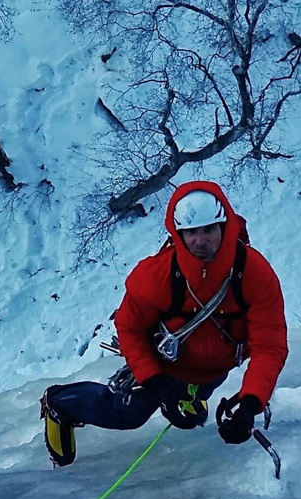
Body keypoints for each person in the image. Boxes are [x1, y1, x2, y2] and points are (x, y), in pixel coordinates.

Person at [42, 181, 288, 466]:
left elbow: (269, 346)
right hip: (163, 367)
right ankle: (61, 404)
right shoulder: (157, 275)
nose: (200, 241)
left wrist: (250, 404)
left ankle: (191, 396)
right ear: (178, 234)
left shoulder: (254, 274)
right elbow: (130, 328)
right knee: (129, 413)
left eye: (208, 229)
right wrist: (156, 384)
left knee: (190, 417)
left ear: (225, 226)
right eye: (191, 232)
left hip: (213, 369)